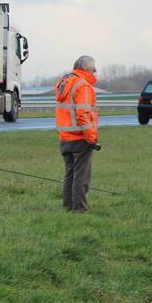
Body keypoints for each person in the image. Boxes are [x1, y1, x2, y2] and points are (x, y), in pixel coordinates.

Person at [54, 55, 100, 212]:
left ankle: (68, 207)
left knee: (69, 175)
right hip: (80, 138)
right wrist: (92, 138)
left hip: (65, 137)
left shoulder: (65, 83)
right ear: (87, 69)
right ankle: (79, 209)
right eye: (94, 69)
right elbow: (83, 115)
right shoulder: (83, 86)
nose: (95, 73)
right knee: (81, 176)